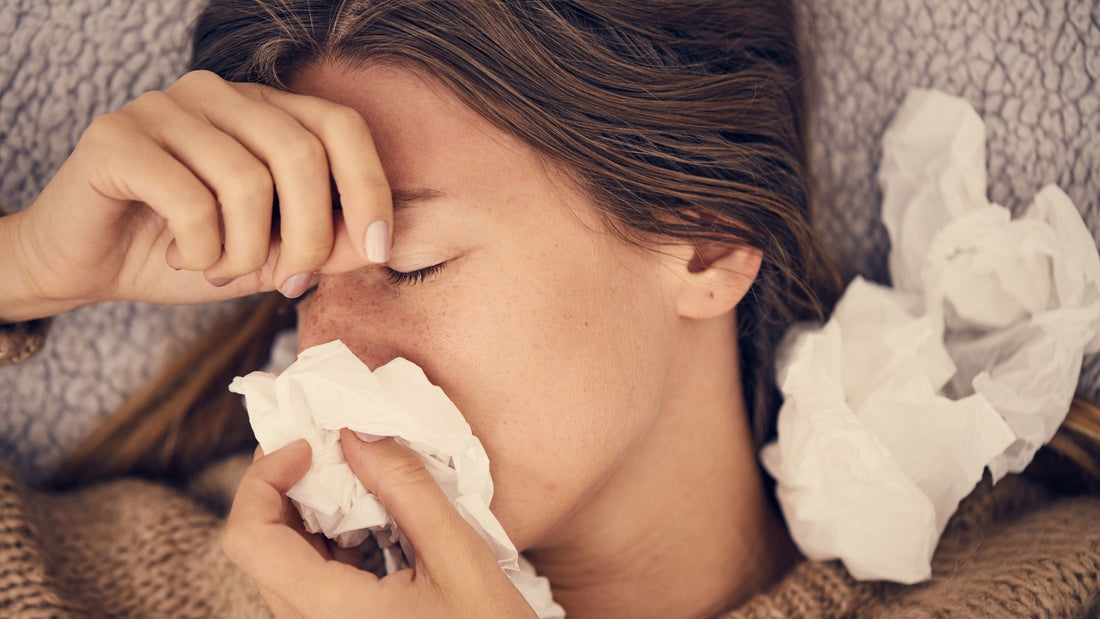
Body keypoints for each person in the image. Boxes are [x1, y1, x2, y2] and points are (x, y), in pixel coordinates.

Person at [0, 1, 1098, 617]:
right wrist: (23, 265)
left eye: (412, 263)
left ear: (702, 237)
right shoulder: (126, 586)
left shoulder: (1038, 590)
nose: (324, 358)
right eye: (291, 285)